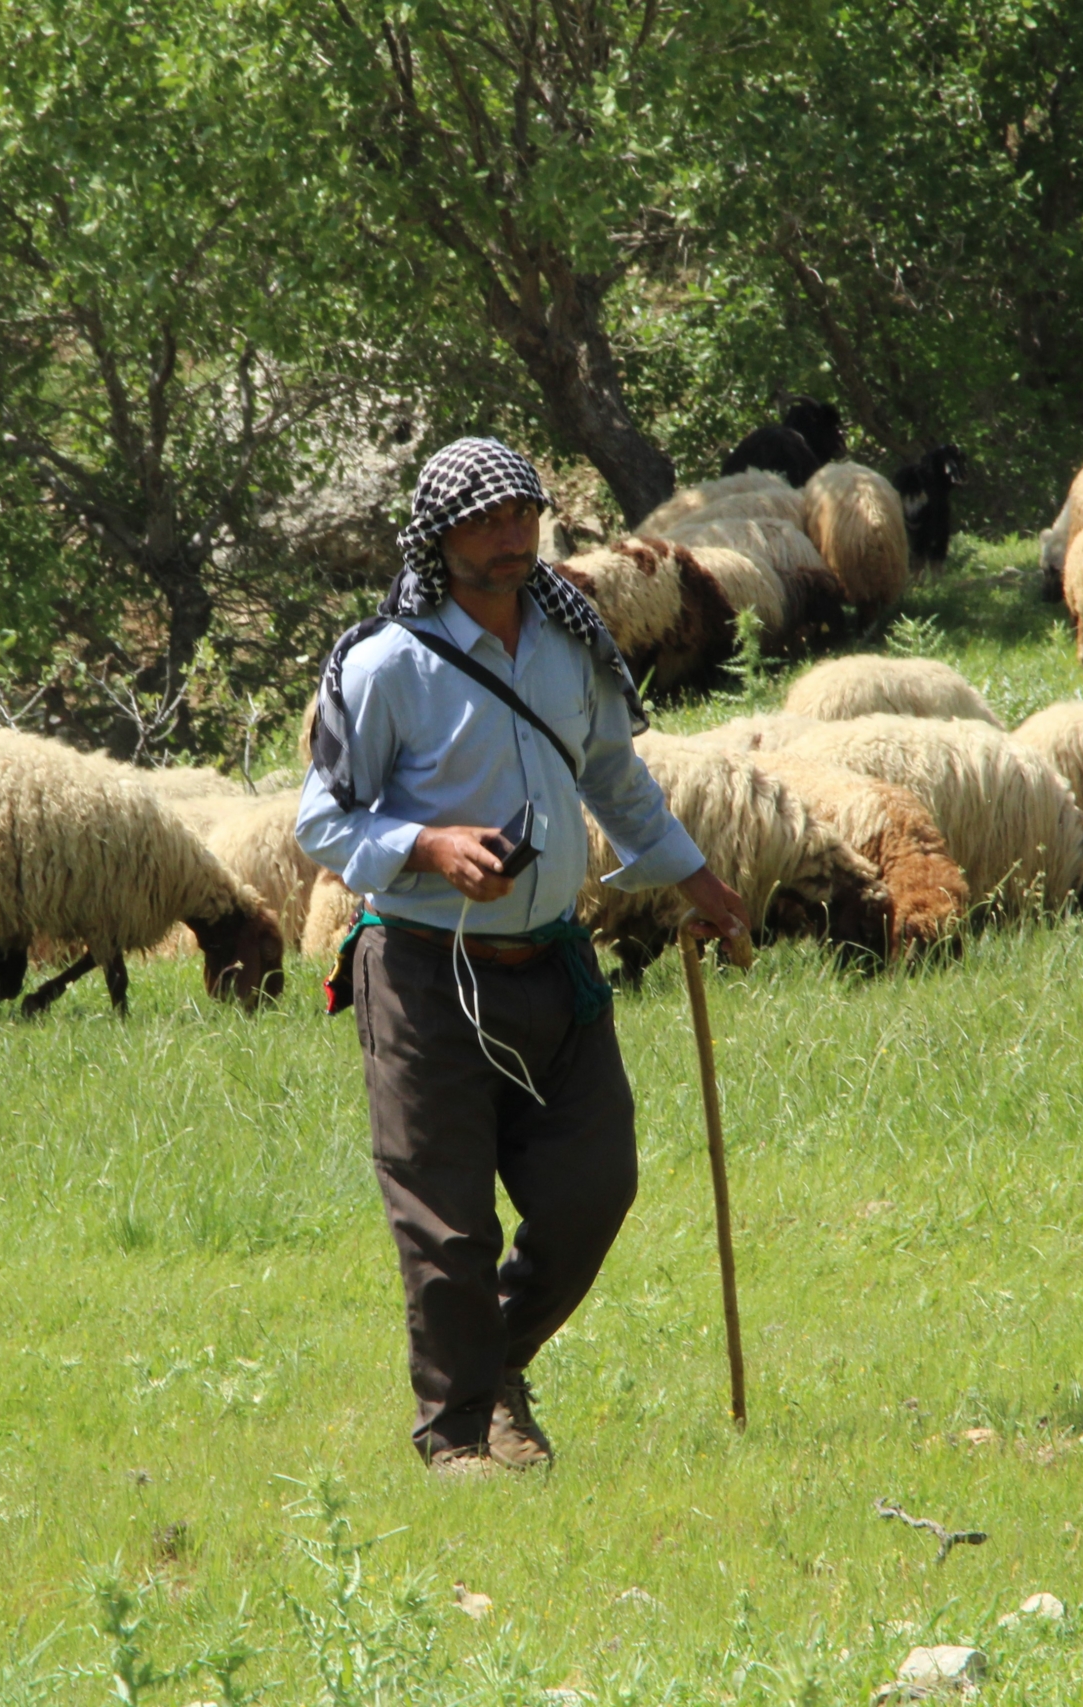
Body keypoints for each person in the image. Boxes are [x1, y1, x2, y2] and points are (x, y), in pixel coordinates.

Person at [296, 437, 752, 1476]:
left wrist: (696, 878)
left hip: (554, 963)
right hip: (421, 972)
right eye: (485, 521)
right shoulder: (382, 663)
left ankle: (495, 1367)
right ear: (438, 535)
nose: (510, 536)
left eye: (524, 516)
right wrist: (426, 844)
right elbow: (320, 823)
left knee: (595, 1188)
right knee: (445, 1223)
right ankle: (458, 1432)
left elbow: (613, 776)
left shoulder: (567, 639)